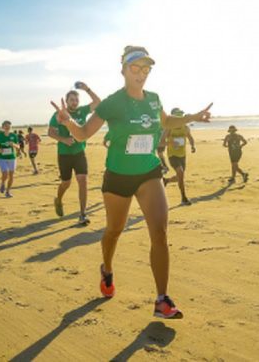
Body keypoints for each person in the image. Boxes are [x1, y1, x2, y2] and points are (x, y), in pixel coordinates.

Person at [51, 45, 213, 319]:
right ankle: (107, 268)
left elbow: (166, 120)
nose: (141, 74)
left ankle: (162, 300)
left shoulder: (153, 98)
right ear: (124, 70)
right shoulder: (112, 103)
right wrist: (67, 123)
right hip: (117, 176)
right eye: (135, 68)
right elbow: (83, 134)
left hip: (149, 171)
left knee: (160, 231)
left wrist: (192, 117)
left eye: (145, 69)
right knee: (114, 231)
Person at [48, 83, 101, 225]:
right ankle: (58, 200)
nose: (75, 102)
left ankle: (82, 214)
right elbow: (50, 132)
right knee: (66, 182)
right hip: (64, 154)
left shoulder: (82, 111)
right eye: (72, 100)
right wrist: (63, 139)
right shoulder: (58, 114)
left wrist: (87, 89)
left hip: (79, 153)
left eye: (76, 100)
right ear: (67, 101)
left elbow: (98, 103)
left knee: (82, 181)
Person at [163, 108, 195, 205]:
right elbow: (161, 141)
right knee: (180, 172)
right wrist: (170, 143)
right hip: (172, 155)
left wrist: (193, 146)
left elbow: (190, 137)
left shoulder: (185, 127)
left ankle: (166, 180)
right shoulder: (169, 128)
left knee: (179, 177)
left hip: (182, 155)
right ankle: (184, 197)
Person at [0, 121, 18, 198]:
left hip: (12, 158)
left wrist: (13, 145)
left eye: (9, 126)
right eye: (6, 126)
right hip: (2, 158)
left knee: (11, 175)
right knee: (5, 173)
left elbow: (18, 146)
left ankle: (8, 191)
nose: (7, 128)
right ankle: (2, 183)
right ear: (3, 127)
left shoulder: (14, 135)